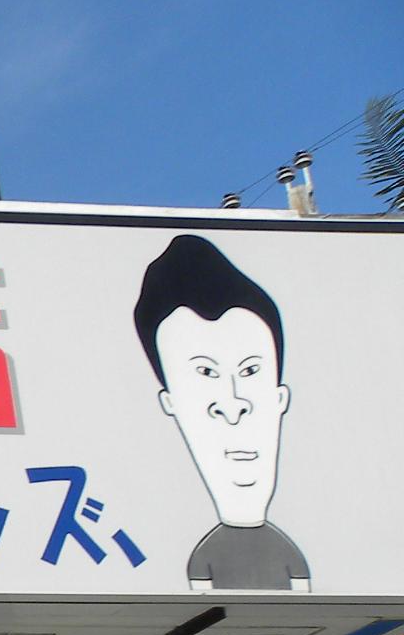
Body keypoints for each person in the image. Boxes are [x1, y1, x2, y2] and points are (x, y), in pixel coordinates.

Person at [131, 233, 309, 593]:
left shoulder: (292, 551)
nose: (232, 405)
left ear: (280, 398)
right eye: (205, 373)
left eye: (250, 371)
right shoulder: (202, 555)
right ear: (170, 403)